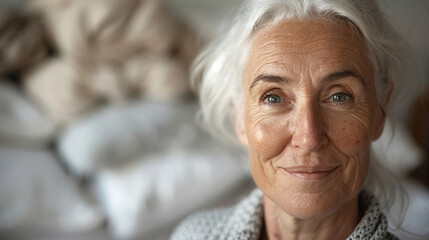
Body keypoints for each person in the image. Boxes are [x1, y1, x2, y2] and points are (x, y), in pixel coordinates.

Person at [170, 0, 419, 239]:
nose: (309, 137)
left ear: (380, 113)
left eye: (339, 96)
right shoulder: (194, 235)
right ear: (239, 116)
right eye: (274, 98)